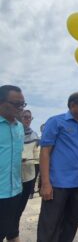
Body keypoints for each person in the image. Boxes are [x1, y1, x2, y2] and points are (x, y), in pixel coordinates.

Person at [37, 92, 78, 242]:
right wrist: (45, 183)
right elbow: (45, 152)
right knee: (50, 223)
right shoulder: (55, 122)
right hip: (57, 184)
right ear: (72, 105)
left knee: (71, 222)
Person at [9, 110, 40, 241]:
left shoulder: (34, 135)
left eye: (29, 117)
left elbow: (36, 156)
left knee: (19, 209)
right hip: (11, 177)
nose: (27, 119)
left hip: (28, 176)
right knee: (9, 208)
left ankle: (13, 234)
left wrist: (34, 159)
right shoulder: (13, 132)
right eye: (25, 117)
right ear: (19, 117)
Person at [0, 85, 25, 242]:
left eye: (23, 104)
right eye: (17, 104)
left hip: (15, 192)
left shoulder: (19, 127)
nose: (21, 108)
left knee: (11, 230)